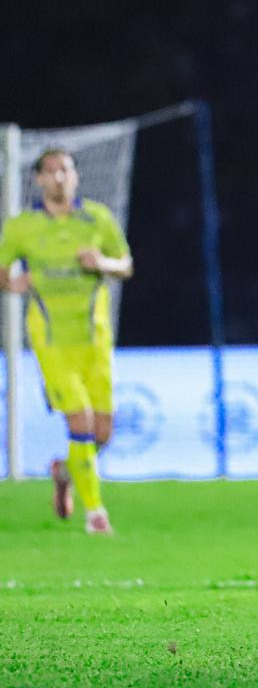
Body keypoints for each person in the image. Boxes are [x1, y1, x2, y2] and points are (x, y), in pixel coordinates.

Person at [0, 148, 134, 535]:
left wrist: (103, 263)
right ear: (39, 179)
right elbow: (2, 271)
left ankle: (64, 470)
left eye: (66, 170)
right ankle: (96, 514)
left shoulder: (97, 218)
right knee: (81, 419)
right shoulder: (22, 227)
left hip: (95, 337)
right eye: (52, 171)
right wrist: (12, 282)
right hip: (52, 337)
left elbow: (125, 264)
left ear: (75, 176)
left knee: (102, 433)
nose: (60, 177)